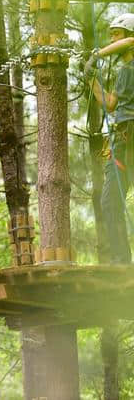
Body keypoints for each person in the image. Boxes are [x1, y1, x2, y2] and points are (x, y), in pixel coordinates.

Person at [85, 13, 134, 263]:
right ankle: (122, 262)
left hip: (131, 137)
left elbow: (129, 42)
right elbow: (111, 104)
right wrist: (91, 77)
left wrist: (98, 54)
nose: (112, 38)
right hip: (122, 140)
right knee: (110, 202)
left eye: (116, 33)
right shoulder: (124, 70)